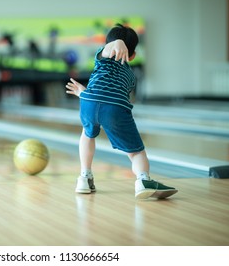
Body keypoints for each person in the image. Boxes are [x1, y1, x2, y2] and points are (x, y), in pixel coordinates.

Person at [65, 23, 178, 199]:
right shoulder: (130, 75)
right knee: (136, 152)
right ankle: (143, 180)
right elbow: (112, 94)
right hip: (115, 109)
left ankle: (84, 177)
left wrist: (83, 93)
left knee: (87, 134)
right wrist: (117, 42)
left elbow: (101, 91)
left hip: (89, 102)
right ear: (133, 56)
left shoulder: (102, 59)